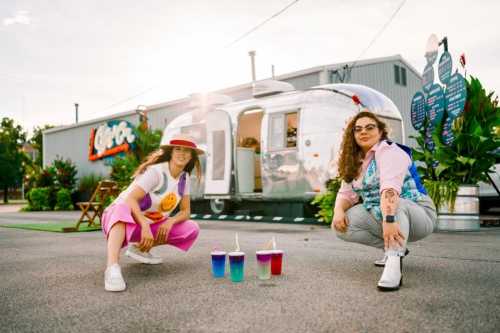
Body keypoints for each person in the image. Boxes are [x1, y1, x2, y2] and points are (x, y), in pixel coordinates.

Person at [332, 111, 436, 291]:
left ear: (380, 132)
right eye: (358, 129)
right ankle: (394, 248)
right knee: (342, 226)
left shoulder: (389, 151)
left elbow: (390, 189)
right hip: (381, 211)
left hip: (418, 213)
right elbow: (346, 194)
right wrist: (338, 212)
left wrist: (389, 220)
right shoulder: (355, 161)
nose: (363, 132)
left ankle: (394, 263)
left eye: (369, 127)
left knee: (396, 203)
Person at [102, 134, 203, 292]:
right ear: (170, 152)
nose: (182, 153)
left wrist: (170, 222)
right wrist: (144, 224)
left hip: (147, 224)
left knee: (191, 228)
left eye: (187, 150)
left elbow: (186, 212)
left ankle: (139, 248)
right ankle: (112, 268)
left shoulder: (185, 178)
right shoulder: (156, 172)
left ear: (191, 156)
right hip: (118, 218)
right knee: (121, 207)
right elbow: (130, 199)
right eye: (178, 149)